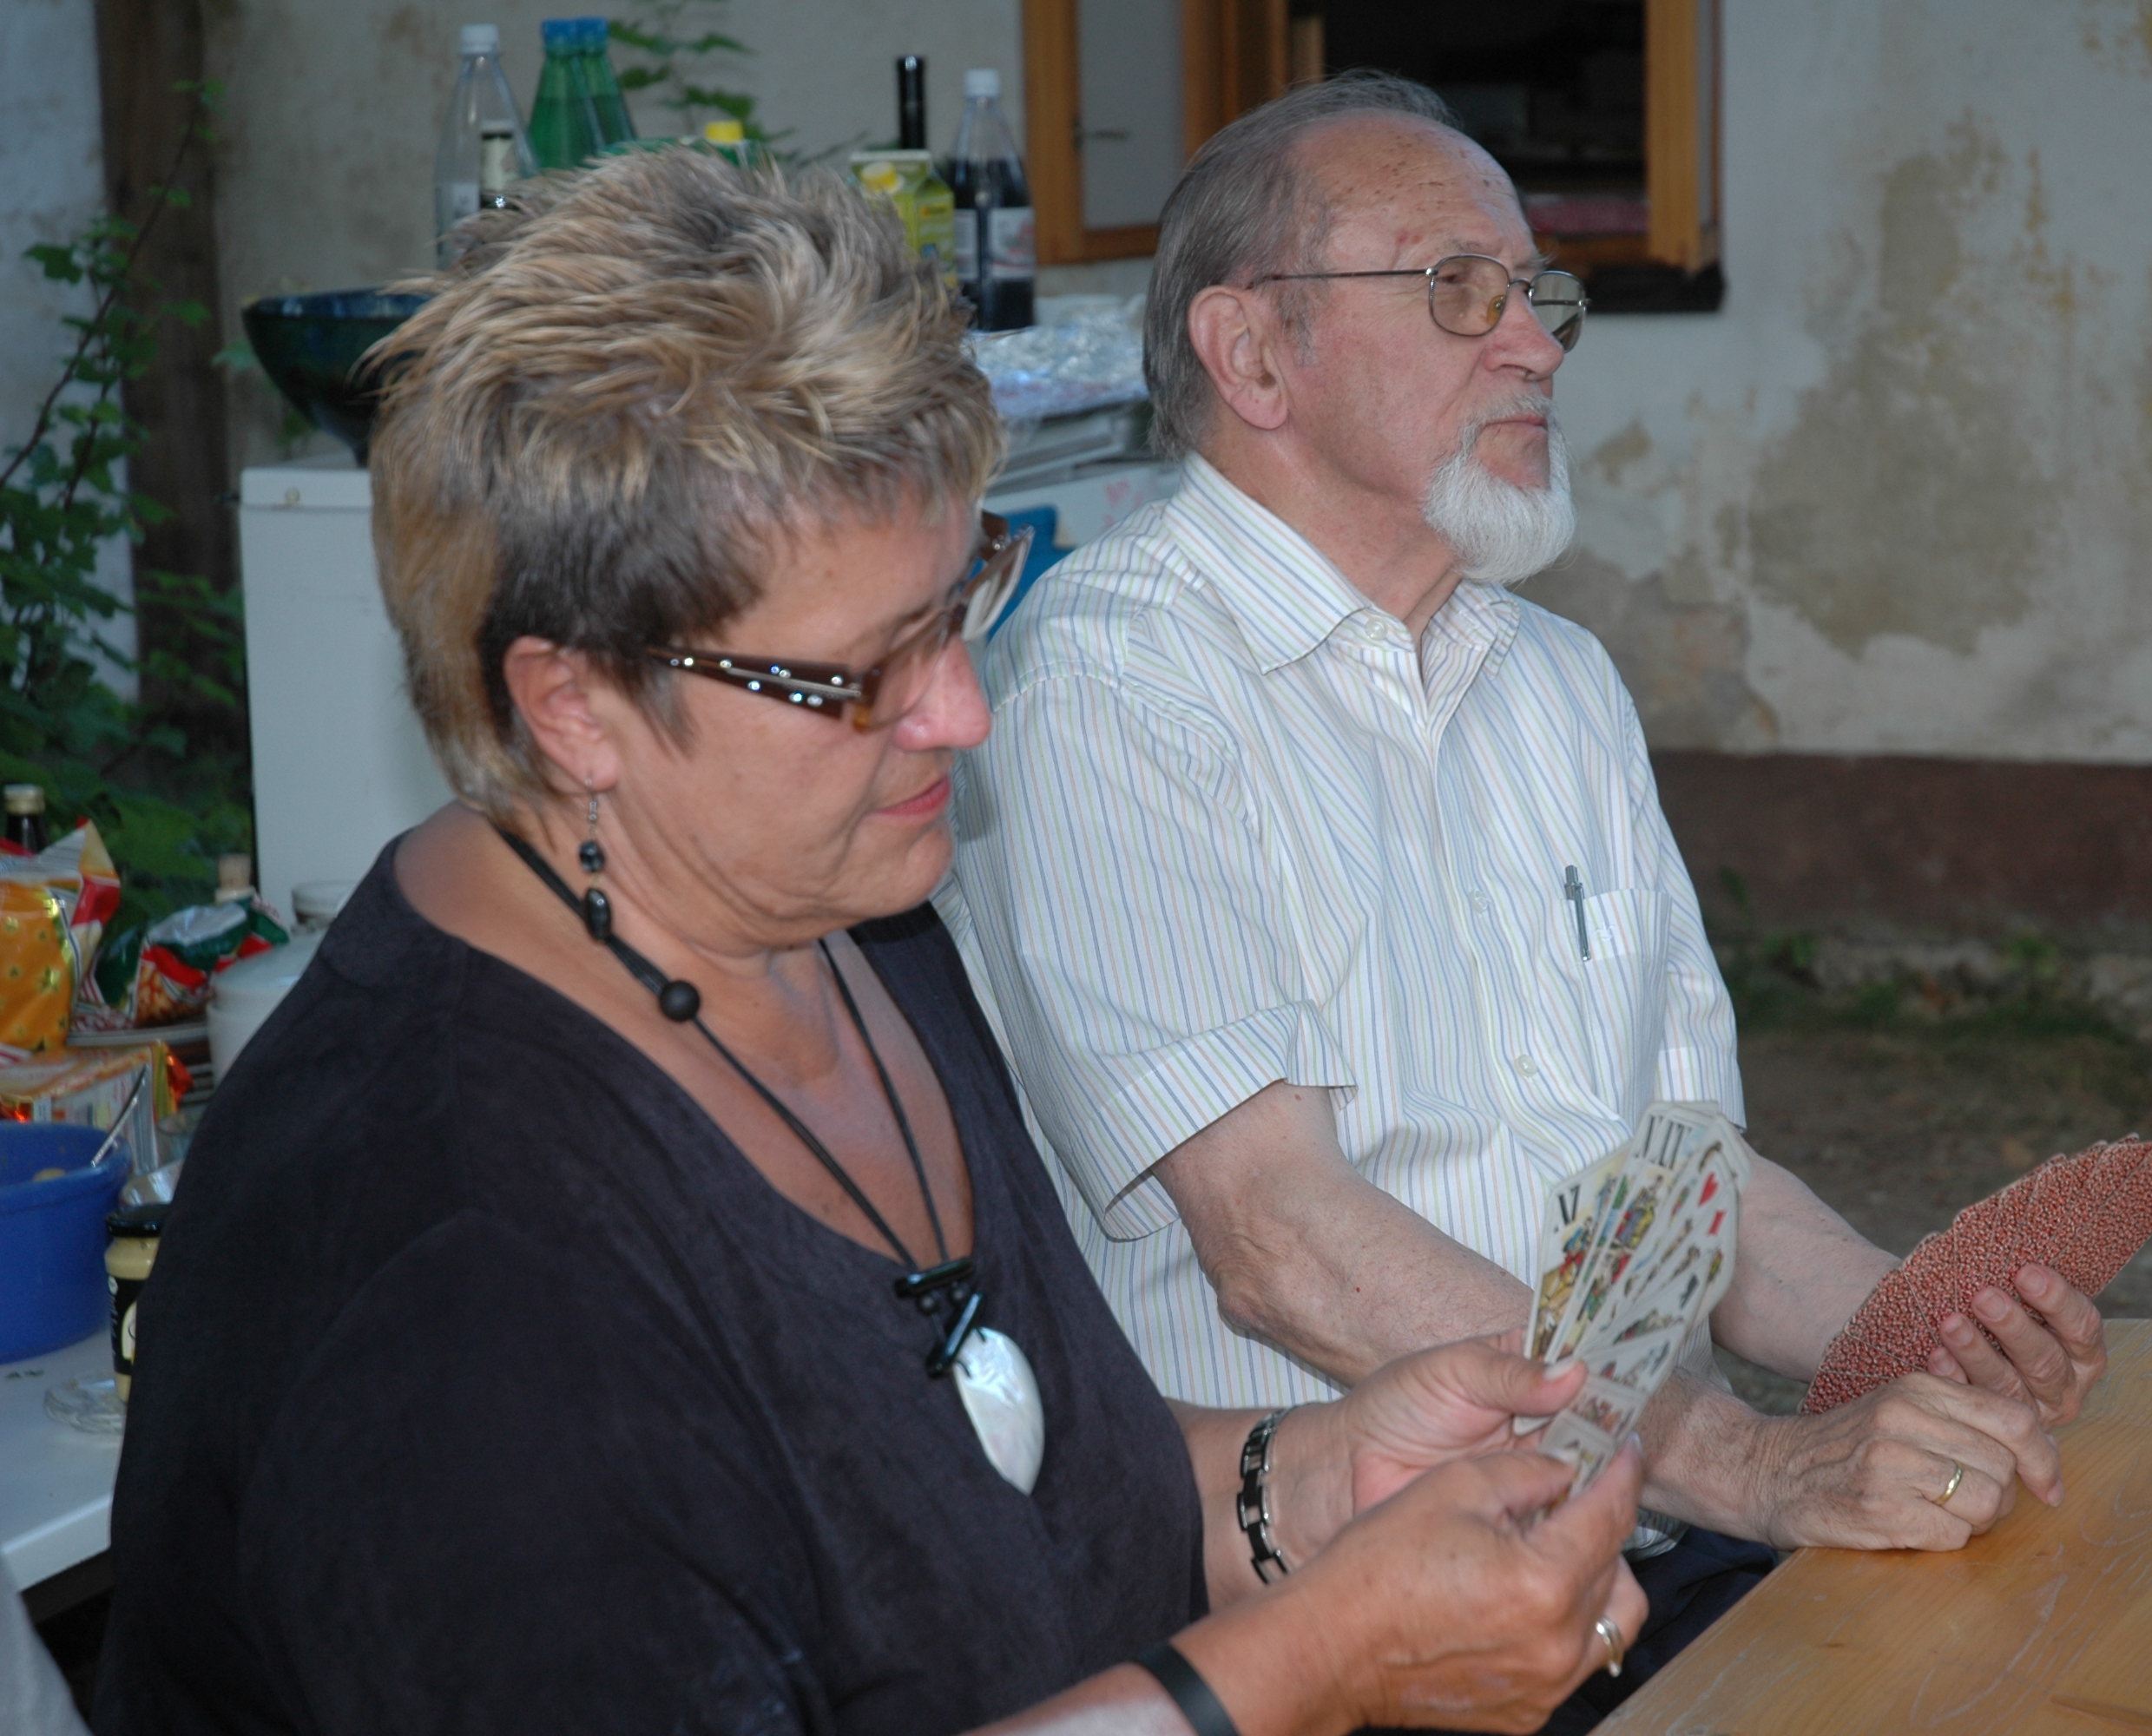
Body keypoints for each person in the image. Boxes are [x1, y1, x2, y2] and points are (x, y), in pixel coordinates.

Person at [90, 148, 1647, 1736]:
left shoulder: (842, 920)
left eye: (963, 601)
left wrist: (1309, 1484)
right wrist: (1319, 1659)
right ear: (575, 704)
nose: (962, 713)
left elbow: (1002, 1489)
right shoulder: (455, 1259)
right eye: (861, 675)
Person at [939, 71, 2109, 1687]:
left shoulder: (1554, 681)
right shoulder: (1106, 690)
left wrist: (1927, 1334)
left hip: (1638, 1543)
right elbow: (1277, 1242)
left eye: (1539, 296)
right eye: (1457, 290)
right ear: (1253, 353)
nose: (1540, 347)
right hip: (1342, 1617)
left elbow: (1690, 1189)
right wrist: (1753, 1466)